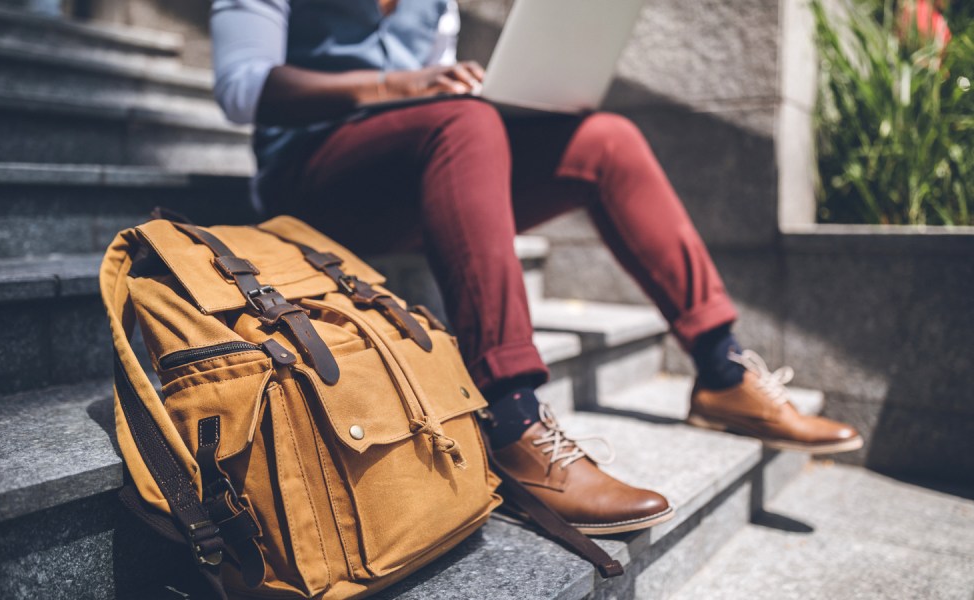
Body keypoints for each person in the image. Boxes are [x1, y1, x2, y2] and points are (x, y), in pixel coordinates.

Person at [210, 0, 863, 535]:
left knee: (607, 140)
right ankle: (513, 417)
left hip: (422, 161)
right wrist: (396, 87)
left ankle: (722, 368)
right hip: (315, 176)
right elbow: (242, 87)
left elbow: (440, 97)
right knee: (464, 124)